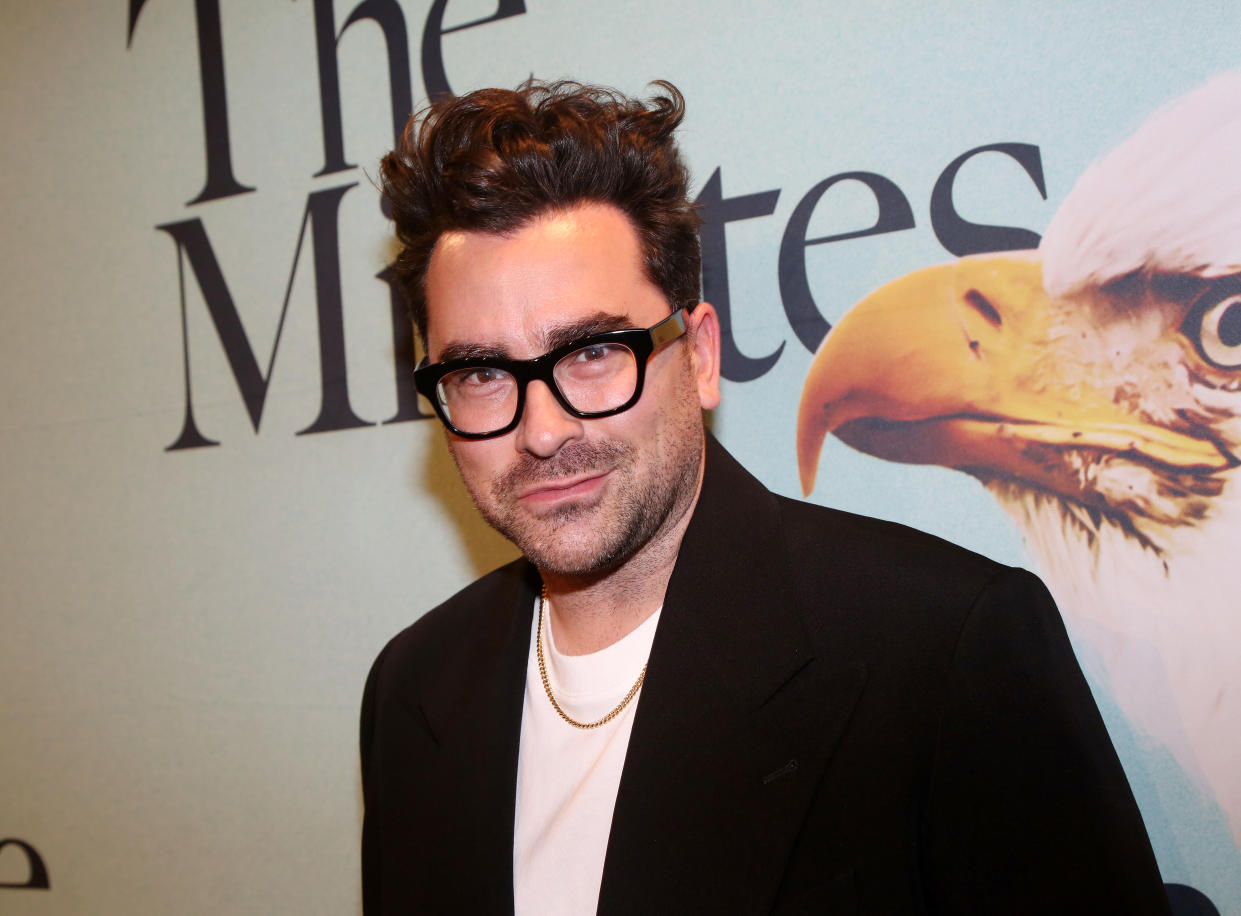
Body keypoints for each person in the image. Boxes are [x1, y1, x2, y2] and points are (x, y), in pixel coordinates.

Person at [362, 79, 1170, 915]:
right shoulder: (413, 688)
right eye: (483, 373)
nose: (540, 430)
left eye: (593, 352)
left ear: (701, 355)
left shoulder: (941, 647)